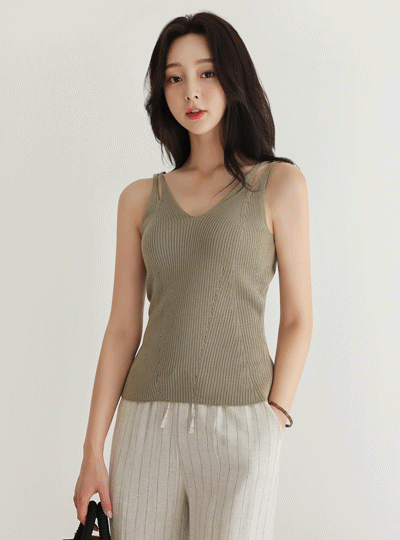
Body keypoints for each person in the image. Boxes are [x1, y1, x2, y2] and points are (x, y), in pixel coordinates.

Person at [73, 11, 312, 540]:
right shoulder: (140, 199)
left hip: (242, 425)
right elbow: (122, 330)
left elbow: (298, 317)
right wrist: (93, 448)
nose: (191, 92)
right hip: (145, 423)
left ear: (233, 77)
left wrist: (275, 416)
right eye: (174, 78)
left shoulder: (278, 184)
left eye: (206, 73)